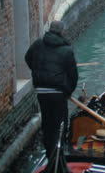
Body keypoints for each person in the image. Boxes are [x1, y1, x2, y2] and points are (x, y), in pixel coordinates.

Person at [25, 20, 78, 160]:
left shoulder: (37, 44)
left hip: (41, 92)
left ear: (50, 30)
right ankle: (58, 157)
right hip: (58, 93)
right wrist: (68, 92)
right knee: (60, 125)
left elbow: (27, 58)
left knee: (47, 124)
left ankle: (50, 157)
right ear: (62, 32)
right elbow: (73, 76)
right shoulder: (67, 50)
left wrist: (38, 73)